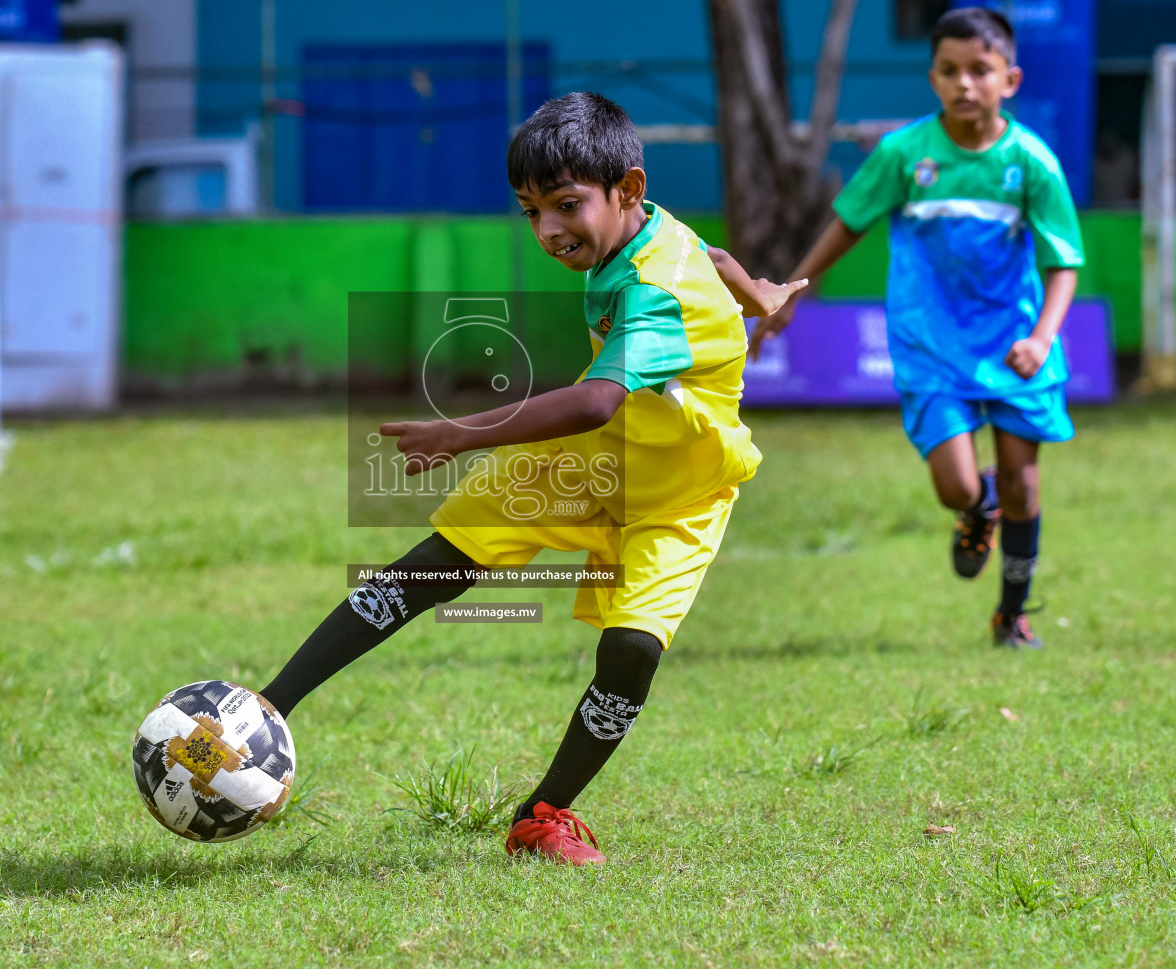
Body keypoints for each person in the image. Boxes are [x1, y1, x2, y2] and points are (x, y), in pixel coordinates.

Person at [258, 92, 802, 865]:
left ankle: (543, 814)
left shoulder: (658, 292)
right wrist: (761, 293)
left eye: (565, 206)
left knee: (633, 653)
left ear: (628, 189)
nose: (548, 231)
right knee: (440, 561)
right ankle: (265, 709)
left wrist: (458, 433)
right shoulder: (646, 227)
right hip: (592, 463)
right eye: (531, 212)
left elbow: (592, 400)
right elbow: (711, 255)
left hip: (679, 494)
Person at [751, 7, 1084, 648]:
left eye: (980, 71)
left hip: (1015, 341)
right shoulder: (905, 154)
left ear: (1008, 80)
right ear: (932, 78)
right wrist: (792, 291)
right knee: (957, 484)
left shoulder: (1033, 163)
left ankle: (1010, 615)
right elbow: (850, 220)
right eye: (950, 71)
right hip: (929, 342)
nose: (965, 84)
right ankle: (975, 509)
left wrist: (1043, 337)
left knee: (1022, 480)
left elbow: (1063, 261)